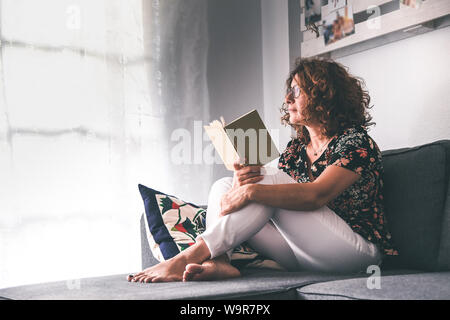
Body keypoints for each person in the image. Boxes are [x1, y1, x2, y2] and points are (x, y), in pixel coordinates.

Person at [128, 57, 398, 283]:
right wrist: (240, 182)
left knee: (264, 182)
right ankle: (220, 260)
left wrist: (252, 190)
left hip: (356, 252)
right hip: (301, 252)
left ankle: (188, 256)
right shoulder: (296, 149)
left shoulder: (356, 142)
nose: (287, 98)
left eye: (296, 91)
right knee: (224, 185)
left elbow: (317, 195)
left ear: (323, 95)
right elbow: (257, 201)